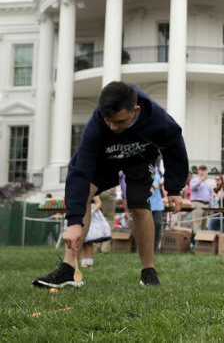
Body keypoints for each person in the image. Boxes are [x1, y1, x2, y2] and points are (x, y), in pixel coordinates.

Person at [33, 80, 188, 288]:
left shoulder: (157, 118)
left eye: (120, 121)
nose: (113, 127)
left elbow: (174, 146)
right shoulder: (96, 125)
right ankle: (69, 269)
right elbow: (79, 172)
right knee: (85, 192)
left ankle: (148, 271)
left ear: (136, 110)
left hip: (140, 159)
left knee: (138, 205)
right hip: (105, 159)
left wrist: (175, 188)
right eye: (109, 121)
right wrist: (73, 222)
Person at [189, 165, 213, 233]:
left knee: (204, 226)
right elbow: (192, 187)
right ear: (198, 171)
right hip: (197, 203)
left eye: (204, 170)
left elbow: (210, 195)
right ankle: (197, 242)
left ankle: (202, 242)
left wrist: (211, 207)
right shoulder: (194, 180)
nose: (203, 172)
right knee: (197, 225)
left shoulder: (207, 183)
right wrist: (200, 180)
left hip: (206, 205)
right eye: (201, 170)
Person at [93, 186, 116, 253]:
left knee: (97, 219)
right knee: (109, 219)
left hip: (95, 191)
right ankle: (105, 248)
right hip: (107, 189)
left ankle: (96, 247)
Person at [149, 163, 165, 252]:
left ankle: (155, 246)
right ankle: (145, 247)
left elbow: (158, 184)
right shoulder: (143, 167)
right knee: (146, 225)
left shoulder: (158, 170)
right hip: (146, 201)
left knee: (158, 224)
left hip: (157, 202)